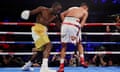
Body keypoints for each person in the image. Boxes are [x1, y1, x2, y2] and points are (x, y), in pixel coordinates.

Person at [21, 2, 62, 72]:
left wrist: (68, 25)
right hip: (37, 29)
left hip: (44, 31)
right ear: (53, 7)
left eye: (59, 10)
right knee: (49, 45)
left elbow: (59, 27)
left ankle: (26, 66)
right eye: (57, 9)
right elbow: (31, 13)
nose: (58, 11)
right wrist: (25, 14)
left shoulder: (55, 17)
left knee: (40, 51)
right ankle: (44, 68)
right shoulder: (42, 9)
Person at [58, 3, 88, 72]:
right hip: (74, 24)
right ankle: (82, 60)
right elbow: (82, 24)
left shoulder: (72, 8)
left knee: (63, 46)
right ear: (85, 8)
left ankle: (61, 67)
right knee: (79, 43)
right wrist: (77, 32)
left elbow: (61, 14)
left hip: (65, 24)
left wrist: (65, 23)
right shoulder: (85, 11)